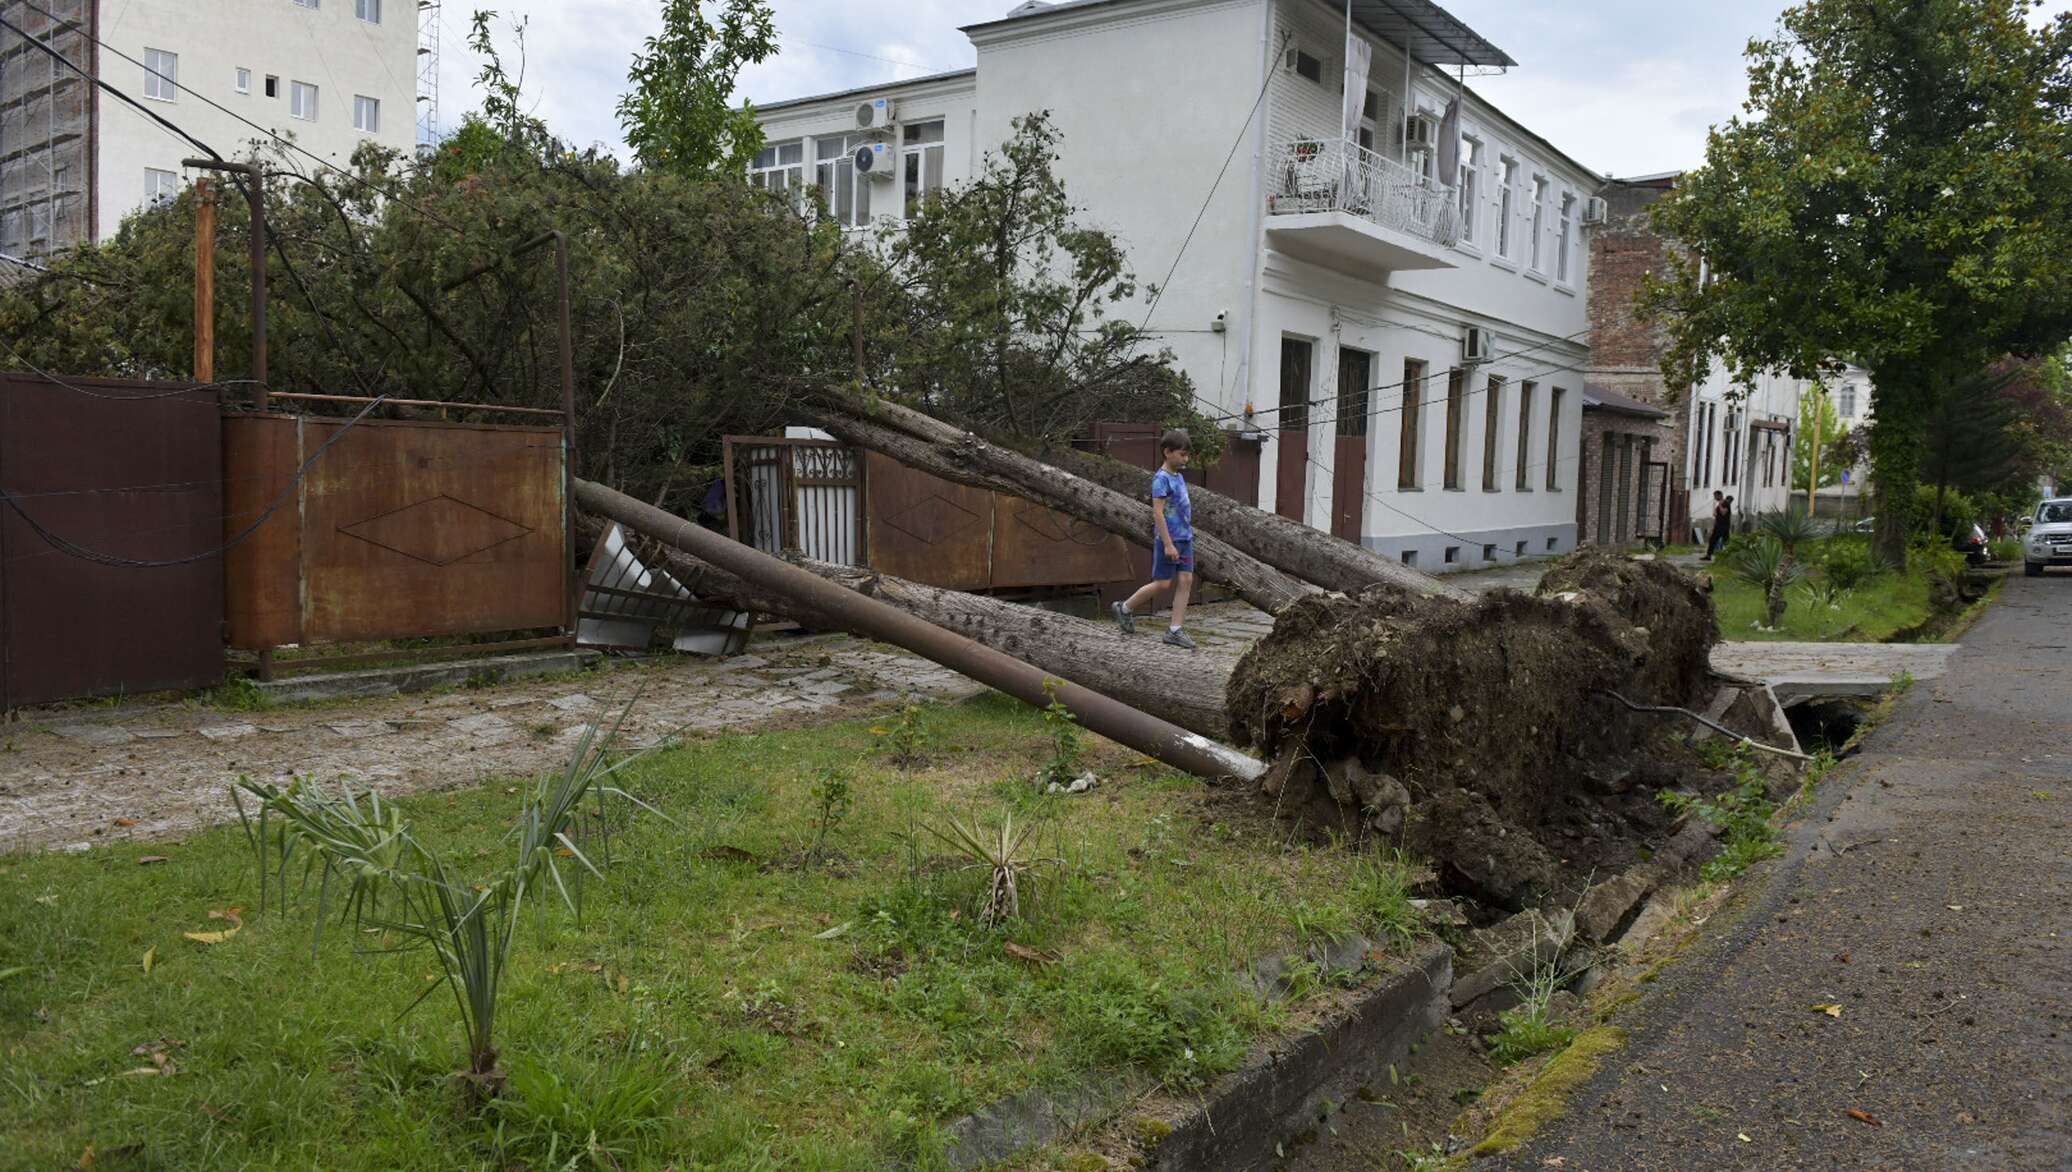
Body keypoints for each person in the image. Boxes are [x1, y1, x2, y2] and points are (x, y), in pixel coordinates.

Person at [1112, 429, 1197, 649]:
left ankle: (1175, 629)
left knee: (1186, 580)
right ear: (1167, 452)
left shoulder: (1178, 476)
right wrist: (1168, 543)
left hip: (1185, 539)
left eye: (1187, 455)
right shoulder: (1161, 479)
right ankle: (1125, 608)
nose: (1185, 459)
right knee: (1163, 583)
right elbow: (1158, 513)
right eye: (1182, 454)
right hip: (1169, 540)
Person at [1702, 490, 1727, 560]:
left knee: (1725, 541)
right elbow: (1715, 514)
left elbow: (1723, 513)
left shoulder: (1725, 503)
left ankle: (1726, 556)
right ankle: (1708, 555)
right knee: (1712, 540)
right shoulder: (1720, 504)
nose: (1715, 497)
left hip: (1723, 526)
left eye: (1715, 496)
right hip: (1718, 525)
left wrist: (1719, 505)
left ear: (1720, 495)